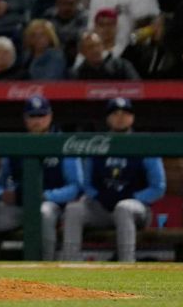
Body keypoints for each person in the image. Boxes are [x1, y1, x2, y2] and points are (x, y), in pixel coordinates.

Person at [0, 96, 80, 261]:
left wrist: (47, 196)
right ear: (25, 119)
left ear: (50, 116)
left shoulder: (63, 144)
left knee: (43, 212)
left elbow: (75, 187)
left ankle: (47, 266)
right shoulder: (16, 145)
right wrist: (1, 195)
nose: (37, 121)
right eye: (33, 116)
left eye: (41, 115)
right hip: (18, 205)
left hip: (50, 205)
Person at [61, 98, 165, 262]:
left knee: (123, 207)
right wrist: (100, 196)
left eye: (125, 113)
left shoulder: (144, 144)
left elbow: (158, 187)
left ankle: (126, 265)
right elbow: (87, 184)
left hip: (137, 210)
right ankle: (70, 264)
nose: (120, 117)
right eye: (115, 113)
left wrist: (132, 196)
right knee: (74, 209)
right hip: (102, 207)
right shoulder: (97, 145)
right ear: (107, 118)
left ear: (132, 117)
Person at [71, 30, 140, 80]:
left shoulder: (121, 66)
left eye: (98, 45)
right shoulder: (77, 74)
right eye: (90, 47)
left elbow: (138, 87)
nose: (95, 50)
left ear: (103, 47)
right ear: (82, 52)